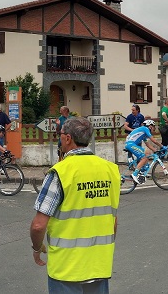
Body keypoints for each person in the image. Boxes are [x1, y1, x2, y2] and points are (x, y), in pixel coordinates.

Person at [30, 116, 119, 294]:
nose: (59, 138)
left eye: (60, 134)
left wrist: (37, 247)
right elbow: (113, 222)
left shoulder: (61, 172)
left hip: (67, 268)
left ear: (68, 138)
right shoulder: (111, 169)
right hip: (99, 264)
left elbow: (39, 225)